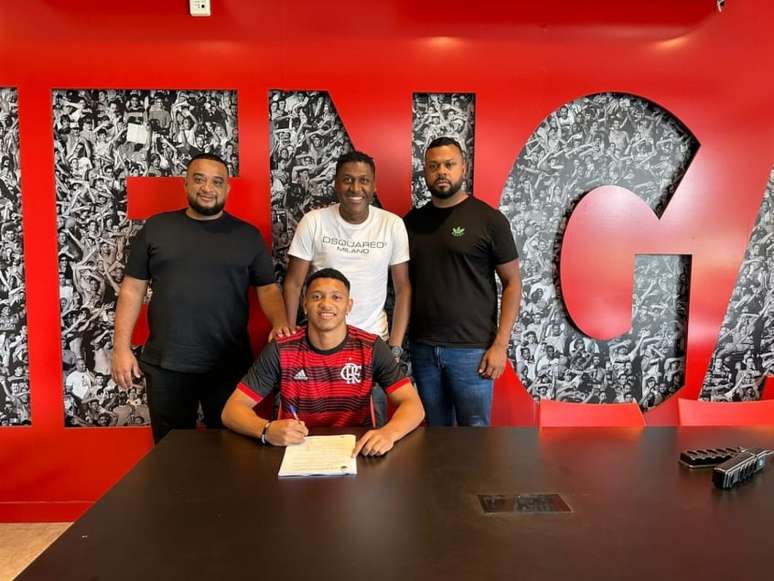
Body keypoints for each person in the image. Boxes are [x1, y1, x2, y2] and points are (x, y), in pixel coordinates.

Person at [111, 152, 290, 442]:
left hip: (228, 365)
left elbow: (268, 288)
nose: (208, 188)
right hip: (167, 365)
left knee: (232, 452)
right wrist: (121, 348)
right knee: (170, 454)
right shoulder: (157, 229)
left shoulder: (247, 236)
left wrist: (280, 322)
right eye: (200, 179)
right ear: (186, 184)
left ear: (227, 188)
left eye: (217, 181)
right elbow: (132, 288)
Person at [222, 268, 424, 457]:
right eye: (316, 296)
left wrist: (389, 433)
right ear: (305, 304)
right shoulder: (281, 349)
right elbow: (231, 410)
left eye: (336, 297)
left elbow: (413, 405)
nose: (326, 304)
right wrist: (265, 430)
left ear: (348, 305)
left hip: (357, 452)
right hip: (295, 452)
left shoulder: (371, 347)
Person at [403, 136, 521, 426]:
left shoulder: (489, 220)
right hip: (423, 349)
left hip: (472, 350)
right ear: (425, 172)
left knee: (475, 436)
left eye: (449, 164)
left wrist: (500, 345)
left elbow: (512, 283)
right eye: (433, 166)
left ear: (463, 169)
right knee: (432, 436)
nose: (441, 171)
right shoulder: (410, 223)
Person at [282, 150, 411, 357]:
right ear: (336, 184)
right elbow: (293, 283)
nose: (355, 188)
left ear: (374, 185)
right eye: (347, 180)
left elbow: (402, 288)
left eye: (364, 180)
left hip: (374, 341)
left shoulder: (392, 224)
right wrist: (288, 338)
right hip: (321, 341)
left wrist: (395, 346)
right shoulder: (313, 221)